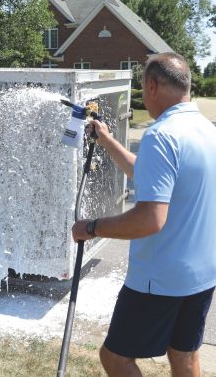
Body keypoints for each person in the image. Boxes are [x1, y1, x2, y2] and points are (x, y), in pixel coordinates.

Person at [72, 52, 216, 377]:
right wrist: (108, 142)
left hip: (160, 279)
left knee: (116, 358)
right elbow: (155, 179)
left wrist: (91, 227)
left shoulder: (161, 135)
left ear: (151, 85)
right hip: (202, 274)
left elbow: (150, 219)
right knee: (184, 355)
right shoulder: (206, 130)